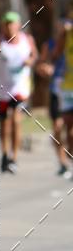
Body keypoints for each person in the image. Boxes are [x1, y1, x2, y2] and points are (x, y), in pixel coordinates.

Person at [0, 11, 37, 174]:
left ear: (18, 25)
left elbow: (34, 56)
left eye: (12, 23)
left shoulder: (27, 40)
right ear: (3, 26)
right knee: (4, 124)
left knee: (16, 120)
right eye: (6, 24)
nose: (9, 27)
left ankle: (14, 157)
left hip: (20, 89)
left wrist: (29, 61)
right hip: (2, 89)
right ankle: (4, 154)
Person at [36, 22, 68, 177]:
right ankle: (62, 163)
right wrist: (45, 69)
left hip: (70, 91)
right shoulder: (49, 45)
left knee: (69, 129)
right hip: (56, 91)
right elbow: (40, 64)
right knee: (57, 127)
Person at [51, 16, 73, 177]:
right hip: (64, 89)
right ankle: (65, 160)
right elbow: (54, 55)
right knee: (64, 128)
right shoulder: (65, 35)